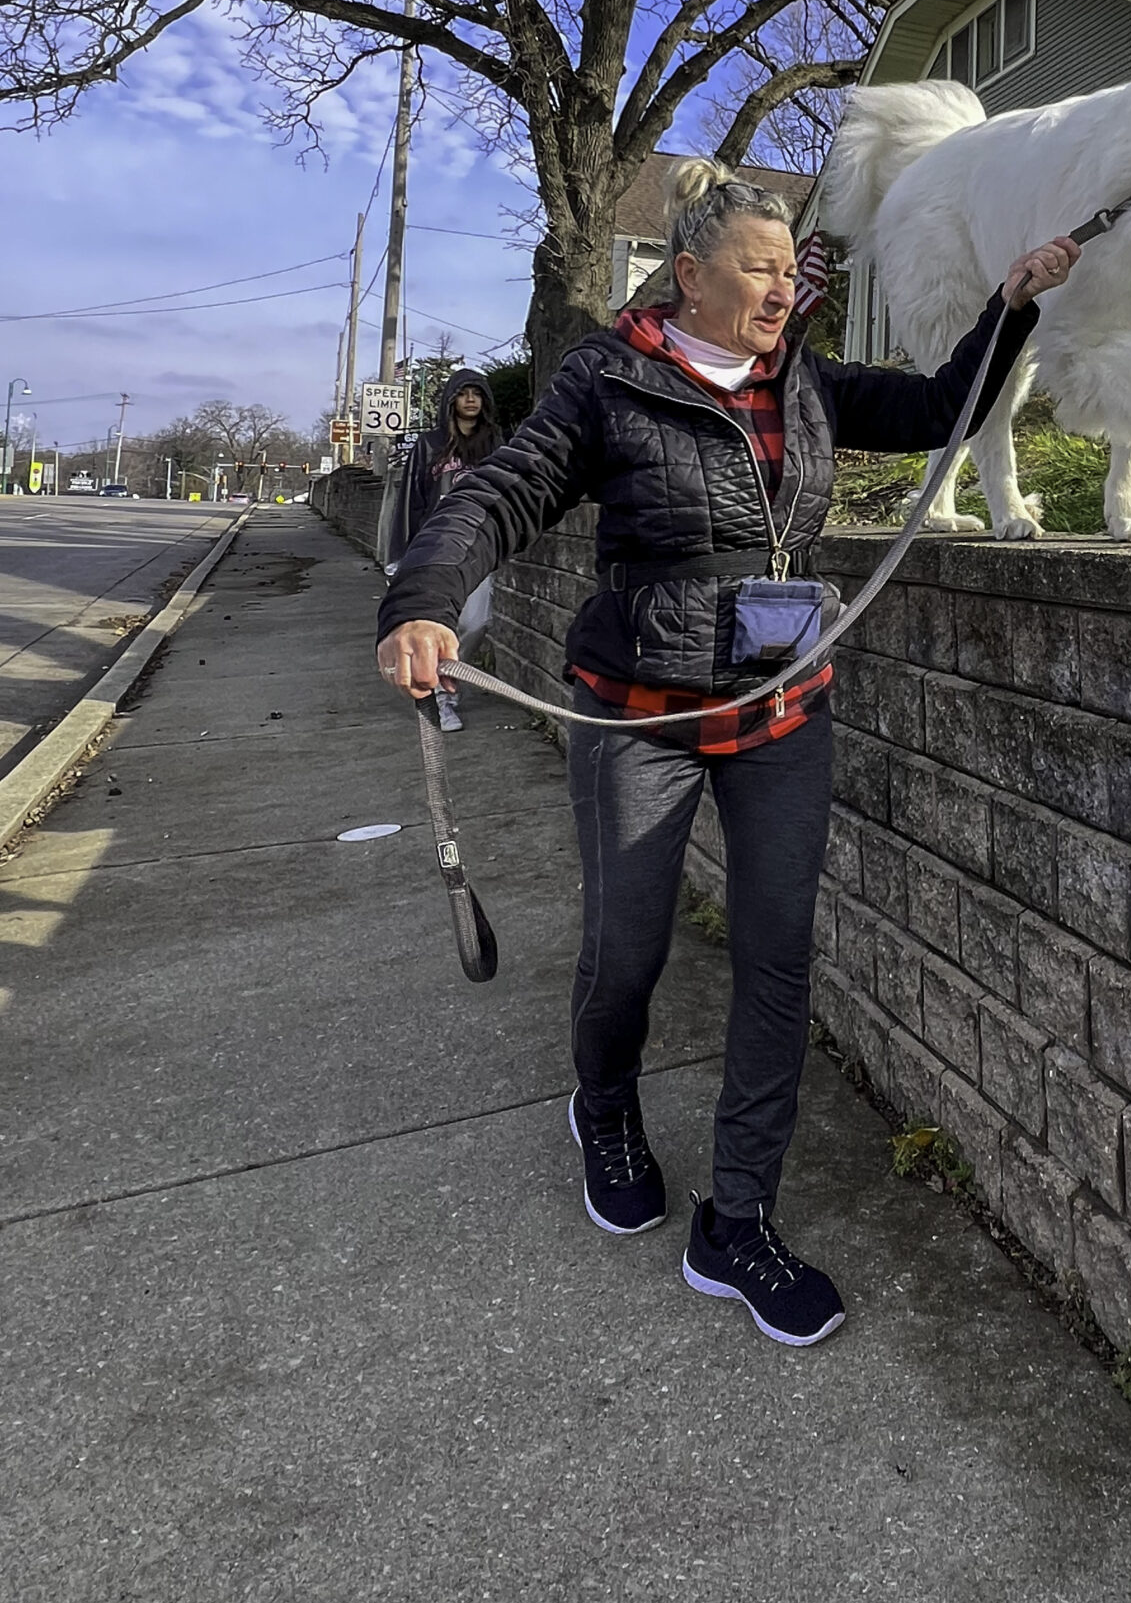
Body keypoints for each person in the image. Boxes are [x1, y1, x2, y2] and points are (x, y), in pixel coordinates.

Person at [375, 160, 1079, 1348]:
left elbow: (932, 412)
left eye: (787, 267)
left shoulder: (801, 382)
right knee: (627, 951)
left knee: (777, 961)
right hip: (638, 711)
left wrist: (1009, 306)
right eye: (757, 268)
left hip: (782, 708)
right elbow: (501, 493)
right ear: (687, 276)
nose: (781, 287)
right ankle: (602, 1103)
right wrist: (424, 598)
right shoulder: (609, 380)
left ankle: (737, 1220)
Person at [386, 368, 505, 733]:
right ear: (450, 399)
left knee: (475, 622)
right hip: (434, 548)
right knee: (437, 625)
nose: (470, 399)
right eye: (463, 393)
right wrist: (400, 556)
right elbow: (410, 501)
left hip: (480, 545)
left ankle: (446, 681)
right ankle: (441, 697)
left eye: (477, 393)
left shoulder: (496, 443)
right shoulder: (429, 444)